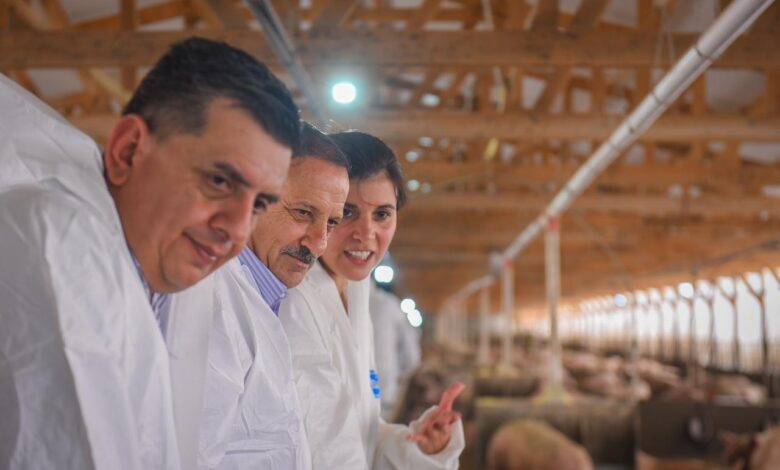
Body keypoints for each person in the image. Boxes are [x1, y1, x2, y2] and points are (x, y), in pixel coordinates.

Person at [0, 37, 300, 470]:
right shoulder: (59, 242)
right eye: (219, 181)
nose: (237, 230)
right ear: (128, 151)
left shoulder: (154, 266)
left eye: (259, 205)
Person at [280, 131, 465, 469]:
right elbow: (326, 450)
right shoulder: (293, 299)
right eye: (347, 212)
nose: (366, 234)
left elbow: (360, 434)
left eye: (382, 214)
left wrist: (418, 447)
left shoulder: (355, 291)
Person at [188, 122, 349, 469]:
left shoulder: (265, 299)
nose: (319, 243)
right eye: (303, 213)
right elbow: (193, 454)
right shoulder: (214, 303)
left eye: (332, 223)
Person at [369, 282, 422, 419]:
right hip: (384, 384)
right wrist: (402, 375)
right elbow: (412, 355)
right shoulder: (389, 304)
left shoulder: (340, 300)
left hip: (351, 393)